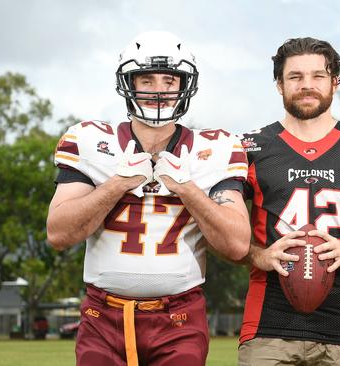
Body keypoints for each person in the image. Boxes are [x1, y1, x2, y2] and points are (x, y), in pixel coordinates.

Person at [46, 31, 250, 366]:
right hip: (102, 316)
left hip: (179, 317)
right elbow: (58, 234)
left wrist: (187, 189)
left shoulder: (215, 149)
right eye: (146, 79)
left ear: (185, 85)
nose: (158, 90)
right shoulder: (90, 141)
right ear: (128, 82)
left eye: (169, 80)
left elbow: (237, 245)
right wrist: (116, 185)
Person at [237, 37, 340, 365]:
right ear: (279, 84)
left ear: (335, 82)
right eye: (295, 77)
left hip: (338, 328)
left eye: (318, 76)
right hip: (267, 327)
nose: (307, 85)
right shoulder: (249, 148)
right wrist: (258, 254)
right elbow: (217, 234)